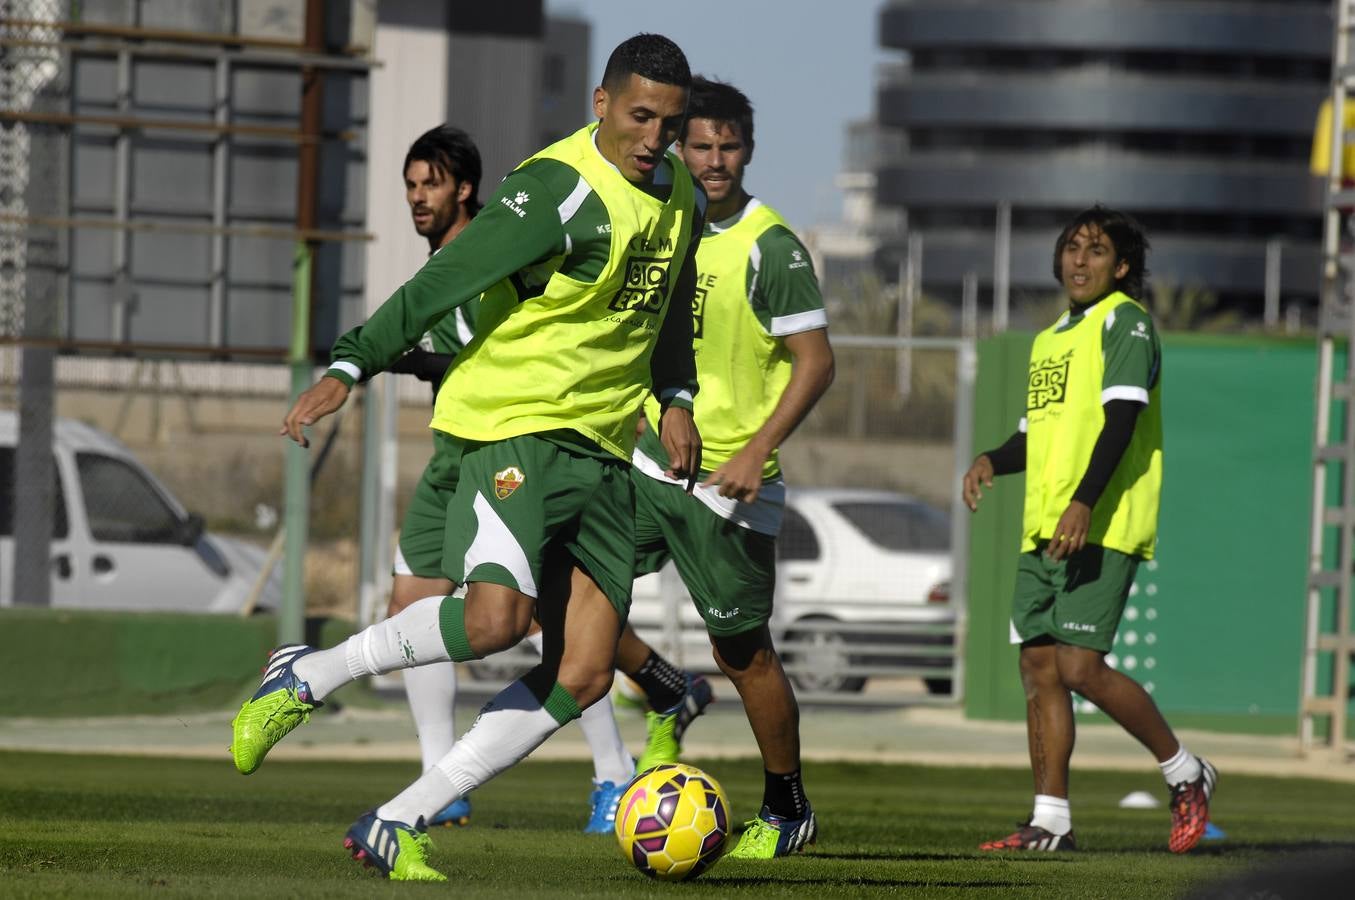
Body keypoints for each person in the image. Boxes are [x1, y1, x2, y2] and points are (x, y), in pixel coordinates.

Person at [230, 33, 704, 881]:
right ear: (600, 104)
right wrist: (351, 362)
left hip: (601, 449)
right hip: (514, 425)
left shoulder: (677, 197)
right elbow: (442, 281)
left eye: (669, 126)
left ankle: (396, 819)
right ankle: (308, 673)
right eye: (639, 118)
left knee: (587, 672)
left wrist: (674, 398)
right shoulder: (556, 187)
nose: (654, 140)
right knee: (493, 624)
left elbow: (665, 308)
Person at [381, 125, 637, 832]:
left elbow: (488, 347)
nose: (417, 198)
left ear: (464, 188)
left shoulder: (494, 250)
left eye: (429, 183)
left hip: (512, 452)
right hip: (453, 454)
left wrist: (403, 353)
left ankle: (615, 772)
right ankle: (442, 779)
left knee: (551, 628)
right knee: (410, 600)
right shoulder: (436, 261)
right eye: (409, 186)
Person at [612, 77, 834, 859]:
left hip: (728, 488)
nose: (713, 161)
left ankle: (786, 807)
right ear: (679, 145)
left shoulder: (770, 246)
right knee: (560, 583)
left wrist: (752, 449)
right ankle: (665, 690)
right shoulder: (665, 222)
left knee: (741, 654)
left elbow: (815, 363)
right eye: (699, 145)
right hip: (647, 461)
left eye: (727, 146)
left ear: (748, 148)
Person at [961, 205, 1216, 854]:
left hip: (1100, 523)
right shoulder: (1051, 339)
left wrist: (1082, 504)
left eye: (1096, 250)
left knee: (1077, 665)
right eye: (1072, 248)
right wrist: (993, 458)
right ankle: (1050, 820)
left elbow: (1121, 419)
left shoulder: (1123, 322)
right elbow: (1033, 433)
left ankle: (1185, 771)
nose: (1079, 260)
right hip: (1043, 528)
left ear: (1121, 267)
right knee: (1039, 666)